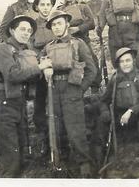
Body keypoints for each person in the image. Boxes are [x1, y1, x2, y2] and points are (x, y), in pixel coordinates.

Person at [0, 15, 51, 177]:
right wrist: (39, 67)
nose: (26, 33)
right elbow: (12, 75)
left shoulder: (26, 51)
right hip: (4, 103)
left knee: (21, 151)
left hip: (19, 104)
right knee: (10, 157)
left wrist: (44, 69)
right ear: (12, 30)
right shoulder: (3, 49)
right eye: (22, 29)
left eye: (29, 30)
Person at [41, 10, 97, 177]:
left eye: (59, 23)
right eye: (53, 25)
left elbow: (91, 70)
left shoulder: (78, 43)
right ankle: (62, 161)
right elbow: (41, 65)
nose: (57, 27)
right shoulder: (47, 47)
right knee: (56, 128)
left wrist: (80, 90)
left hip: (72, 88)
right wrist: (44, 71)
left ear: (66, 23)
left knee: (76, 128)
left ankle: (84, 164)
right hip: (53, 90)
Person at [97, 47, 139, 173]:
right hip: (119, 118)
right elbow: (104, 100)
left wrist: (131, 111)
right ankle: (101, 158)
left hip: (137, 116)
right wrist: (105, 112)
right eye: (122, 61)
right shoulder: (114, 79)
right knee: (101, 123)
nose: (125, 64)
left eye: (128, 60)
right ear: (118, 64)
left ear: (133, 61)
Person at [56, 0, 102, 94]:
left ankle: (95, 88)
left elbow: (91, 23)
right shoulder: (60, 9)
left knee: (91, 62)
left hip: (83, 40)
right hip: (68, 42)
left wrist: (78, 28)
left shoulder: (83, 6)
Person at [31, 0, 57, 158]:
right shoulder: (32, 25)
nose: (46, 8)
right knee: (39, 106)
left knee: (57, 104)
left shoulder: (56, 20)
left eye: (48, 4)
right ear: (37, 7)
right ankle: (43, 139)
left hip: (58, 67)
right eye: (43, 4)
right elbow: (29, 46)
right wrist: (41, 61)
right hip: (40, 69)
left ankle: (58, 137)